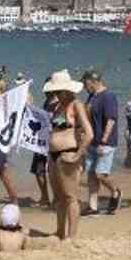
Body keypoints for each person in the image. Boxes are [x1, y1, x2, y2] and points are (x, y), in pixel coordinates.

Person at [45, 70, 93, 241]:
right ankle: (59, 231)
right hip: (53, 156)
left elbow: (89, 133)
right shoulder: (57, 107)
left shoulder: (76, 105)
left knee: (70, 197)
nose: (55, 93)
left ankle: (71, 236)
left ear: (67, 89)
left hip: (68, 155)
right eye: (54, 91)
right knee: (58, 198)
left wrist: (78, 155)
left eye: (58, 91)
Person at [81, 71, 122, 215]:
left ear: (93, 81)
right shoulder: (92, 96)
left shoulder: (108, 96)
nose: (85, 87)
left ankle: (115, 191)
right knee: (91, 174)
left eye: (86, 84)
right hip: (92, 141)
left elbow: (111, 119)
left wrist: (104, 139)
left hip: (105, 142)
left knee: (100, 174)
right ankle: (93, 206)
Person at [30, 90, 58, 208]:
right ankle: (45, 197)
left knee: (54, 173)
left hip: (53, 142)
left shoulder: (59, 104)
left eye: (48, 90)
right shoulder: (47, 101)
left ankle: (56, 199)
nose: (45, 92)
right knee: (38, 170)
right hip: (41, 142)